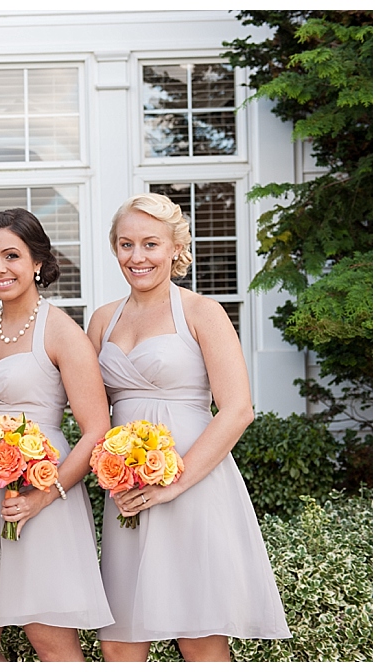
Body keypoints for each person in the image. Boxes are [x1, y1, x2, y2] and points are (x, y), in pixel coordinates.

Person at [87, 193, 291, 661]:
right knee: (119, 643)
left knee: (198, 637)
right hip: (128, 491)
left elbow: (238, 408)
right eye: (125, 244)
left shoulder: (203, 312)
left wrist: (172, 483)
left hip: (194, 485)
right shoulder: (102, 320)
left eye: (150, 244)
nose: (137, 257)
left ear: (177, 249)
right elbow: (88, 407)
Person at [0, 209, 114, 661]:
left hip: (44, 496)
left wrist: (42, 496)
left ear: (36, 262)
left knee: (49, 638)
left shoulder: (62, 332)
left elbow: (96, 430)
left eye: (11, 256)